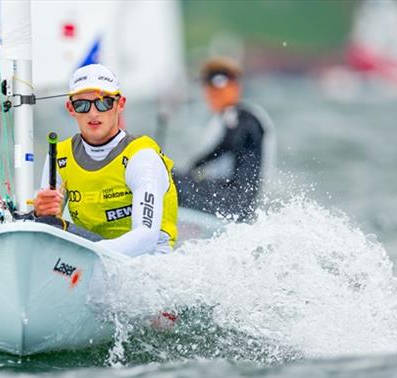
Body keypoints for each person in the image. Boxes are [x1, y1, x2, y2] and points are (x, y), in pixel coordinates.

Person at [33, 64, 178, 256]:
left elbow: (146, 237)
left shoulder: (142, 157)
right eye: (82, 105)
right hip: (93, 257)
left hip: (146, 261)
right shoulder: (59, 155)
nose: (93, 113)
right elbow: (49, 227)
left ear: (120, 104)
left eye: (104, 103)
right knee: (43, 223)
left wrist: (87, 254)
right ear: (70, 108)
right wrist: (40, 211)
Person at [173, 57, 269, 222]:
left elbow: (230, 142)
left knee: (170, 178)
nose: (214, 96)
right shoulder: (224, 118)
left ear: (236, 88)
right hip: (231, 197)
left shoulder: (243, 116)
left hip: (235, 203)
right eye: (211, 92)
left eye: (219, 91)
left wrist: (196, 165)